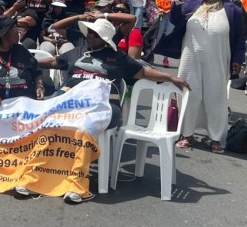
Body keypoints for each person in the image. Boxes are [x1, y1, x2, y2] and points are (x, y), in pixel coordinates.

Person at [36, 17, 189, 203]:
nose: (90, 37)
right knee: (41, 118)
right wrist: (29, 61)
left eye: (95, 34)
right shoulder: (78, 52)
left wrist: (170, 77)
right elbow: (52, 62)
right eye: (89, 33)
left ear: (105, 38)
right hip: (69, 101)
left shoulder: (118, 58)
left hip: (103, 106)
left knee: (84, 128)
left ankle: (77, 182)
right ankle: (38, 173)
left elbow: (143, 72)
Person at [158, 0, 246, 153]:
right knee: (190, 95)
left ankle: (216, 138)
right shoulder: (191, 4)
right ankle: (187, 135)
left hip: (218, 60)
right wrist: (178, 3)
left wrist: (238, 61)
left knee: (216, 97)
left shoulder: (233, 10)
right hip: (191, 60)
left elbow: (240, 38)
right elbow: (175, 20)